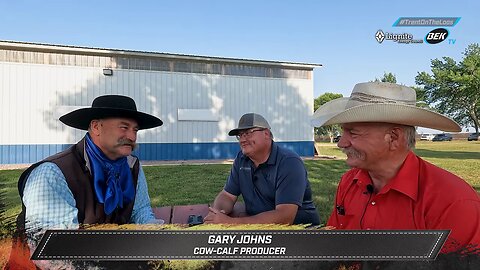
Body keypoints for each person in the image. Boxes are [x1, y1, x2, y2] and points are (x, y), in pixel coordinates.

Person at [311, 82, 480, 253]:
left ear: (394, 138)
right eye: (343, 132)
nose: (341, 143)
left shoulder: (452, 201)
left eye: (353, 133)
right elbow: (335, 247)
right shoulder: (349, 183)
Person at [17, 95, 164, 236]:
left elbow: (140, 211)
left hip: (112, 255)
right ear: (95, 127)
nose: (132, 137)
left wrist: (155, 233)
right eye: (124, 127)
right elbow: (55, 248)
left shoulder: (131, 166)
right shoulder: (53, 173)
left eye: (135, 130)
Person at [204, 113, 320, 225]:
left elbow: (285, 217)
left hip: (299, 233)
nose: (242, 140)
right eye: (240, 135)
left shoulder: (289, 162)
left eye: (248, 133)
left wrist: (230, 222)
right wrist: (218, 212)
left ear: (266, 134)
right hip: (259, 228)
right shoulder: (241, 159)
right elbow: (227, 195)